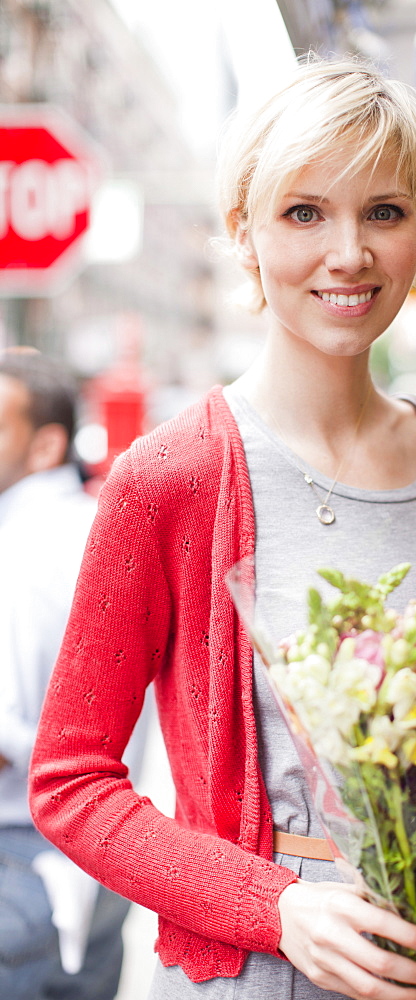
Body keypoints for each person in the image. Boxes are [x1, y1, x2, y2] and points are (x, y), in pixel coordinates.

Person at [30, 57, 416, 1000]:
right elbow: (70, 782)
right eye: (303, 212)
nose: (350, 253)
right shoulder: (171, 478)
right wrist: (275, 905)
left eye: (385, 212)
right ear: (243, 233)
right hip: (273, 970)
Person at [0, 348, 132, 999]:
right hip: (104, 862)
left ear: (46, 442)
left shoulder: (16, 547)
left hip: (19, 866)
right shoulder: (100, 526)